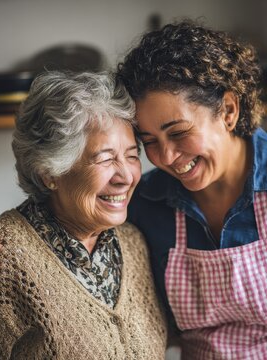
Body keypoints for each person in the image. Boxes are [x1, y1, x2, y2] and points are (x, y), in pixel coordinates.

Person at [116, 20, 267, 359]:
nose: (166, 157)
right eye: (150, 141)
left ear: (228, 111)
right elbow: (72, 233)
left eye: (179, 132)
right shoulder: (145, 202)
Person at [0, 71, 167, 359]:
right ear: (49, 172)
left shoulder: (134, 243)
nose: (126, 176)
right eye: (105, 158)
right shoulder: (6, 255)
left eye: (131, 155)